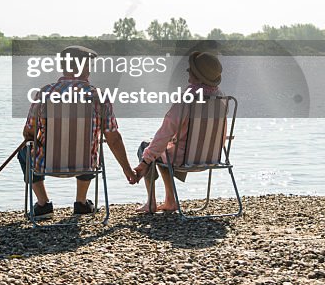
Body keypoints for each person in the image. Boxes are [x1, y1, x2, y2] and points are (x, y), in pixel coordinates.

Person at [19, 45, 138, 217]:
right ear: (87, 68)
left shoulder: (45, 93)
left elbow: (28, 133)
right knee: (92, 145)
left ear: (62, 66)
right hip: (86, 164)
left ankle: (43, 204)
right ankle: (81, 203)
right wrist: (127, 169)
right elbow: (113, 138)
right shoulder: (99, 96)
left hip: (47, 164)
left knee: (25, 150)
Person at [134, 50, 223, 214]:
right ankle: (169, 201)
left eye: (191, 69)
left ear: (197, 75)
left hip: (183, 158)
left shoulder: (187, 99)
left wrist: (144, 162)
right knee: (163, 149)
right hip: (212, 157)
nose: (188, 71)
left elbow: (165, 132)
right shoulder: (220, 99)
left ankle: (151, 203)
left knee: (147, 147)